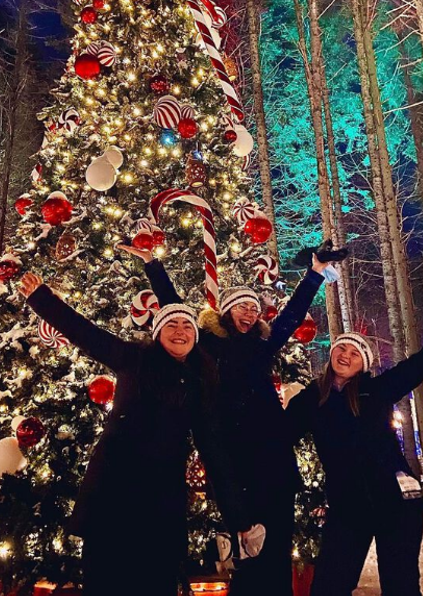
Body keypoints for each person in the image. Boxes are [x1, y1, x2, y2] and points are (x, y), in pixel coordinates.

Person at [117, 241, 347, 596]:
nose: (249, 313)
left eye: (254, 309)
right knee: (248, 552)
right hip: (235, 461)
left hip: (274, 457)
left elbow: (290, 315)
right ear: (225, 312)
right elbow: (172, 303)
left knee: (277, 549)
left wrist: (314, 273)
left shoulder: (262, 346)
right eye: (241, 306)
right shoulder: (206, 343)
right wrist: (152, 263)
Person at [17, 273, 263, 596]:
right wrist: (41, 298)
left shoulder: (200, 384)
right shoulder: (133, 359)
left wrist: (239, 520)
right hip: (113, 497)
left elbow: (215, 454)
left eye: (188, 326)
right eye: (172, 326)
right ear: (158, 333)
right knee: (106, 583)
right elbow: (85, 333)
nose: (181, 332)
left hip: (161, 506)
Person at [286, 301, 423, 596]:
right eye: (341, 350)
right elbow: (278, 437)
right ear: (332, 353)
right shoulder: (310, 400)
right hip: (348, 506)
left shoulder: (377, 391)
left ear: (364, 364)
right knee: (329, 587)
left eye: (355, 353)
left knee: (401, 587)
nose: (346, 356)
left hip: (396, 502)